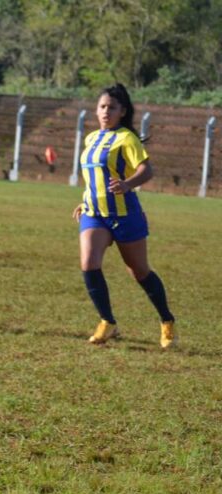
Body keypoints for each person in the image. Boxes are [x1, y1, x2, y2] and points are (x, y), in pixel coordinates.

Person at [72, 83, 176, 348]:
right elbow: (92, 178)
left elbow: (146, 170)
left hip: (124, 214)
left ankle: (166, 321)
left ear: (122, 111)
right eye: (102, 106)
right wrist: (85, 201)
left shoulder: (126, 139)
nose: (106, 111)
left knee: (139, 271)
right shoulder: (91, 138)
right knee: (88, 263)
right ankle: (108, 322)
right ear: (96, 110)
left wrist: (128, 184)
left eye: (112, 107)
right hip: (95, 214)